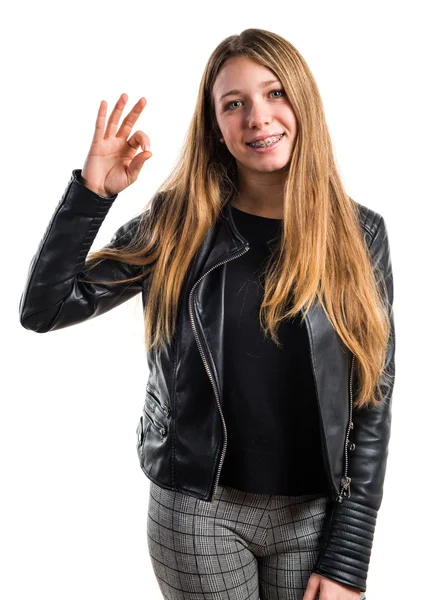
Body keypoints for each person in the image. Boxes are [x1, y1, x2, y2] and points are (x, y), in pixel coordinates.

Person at [19, 28, 395, 600]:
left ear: (303, 102)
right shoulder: (178, 222)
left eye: (274, 94)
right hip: (197, 513)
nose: (258, 118)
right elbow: (45, 308)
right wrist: (93, 193)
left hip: (313, 518)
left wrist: (348, 553)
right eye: (234, 104)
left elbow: (373, 396)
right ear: (215, 127)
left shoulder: (360, 233)